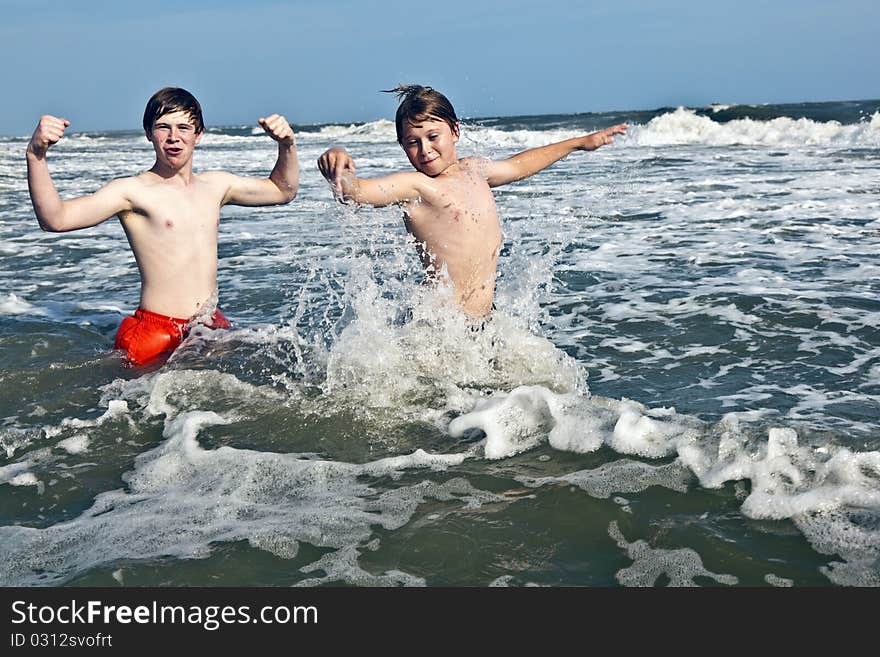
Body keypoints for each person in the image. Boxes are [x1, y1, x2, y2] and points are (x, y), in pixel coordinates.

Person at [26, 87, 299, 366]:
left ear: (199, 134)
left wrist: (286, 144)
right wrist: (36, 155)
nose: (173, 137)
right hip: (154, 331)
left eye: (184, 127)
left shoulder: (216, 186)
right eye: (162, 127)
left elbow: (282, 191)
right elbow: (55, 220)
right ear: (148, 133)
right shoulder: (132, 191)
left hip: (207, 325)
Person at [318, 84, 626, 318]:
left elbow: (520, 165)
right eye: (413, 142)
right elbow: (357, 193)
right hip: (442, 327)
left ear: (454, 131)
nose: (424, 149)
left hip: (484, 322)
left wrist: (578, 143)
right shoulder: (417, 186)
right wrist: (339, 166)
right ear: (402, 145)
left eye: (432, 136)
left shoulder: (475, 170)